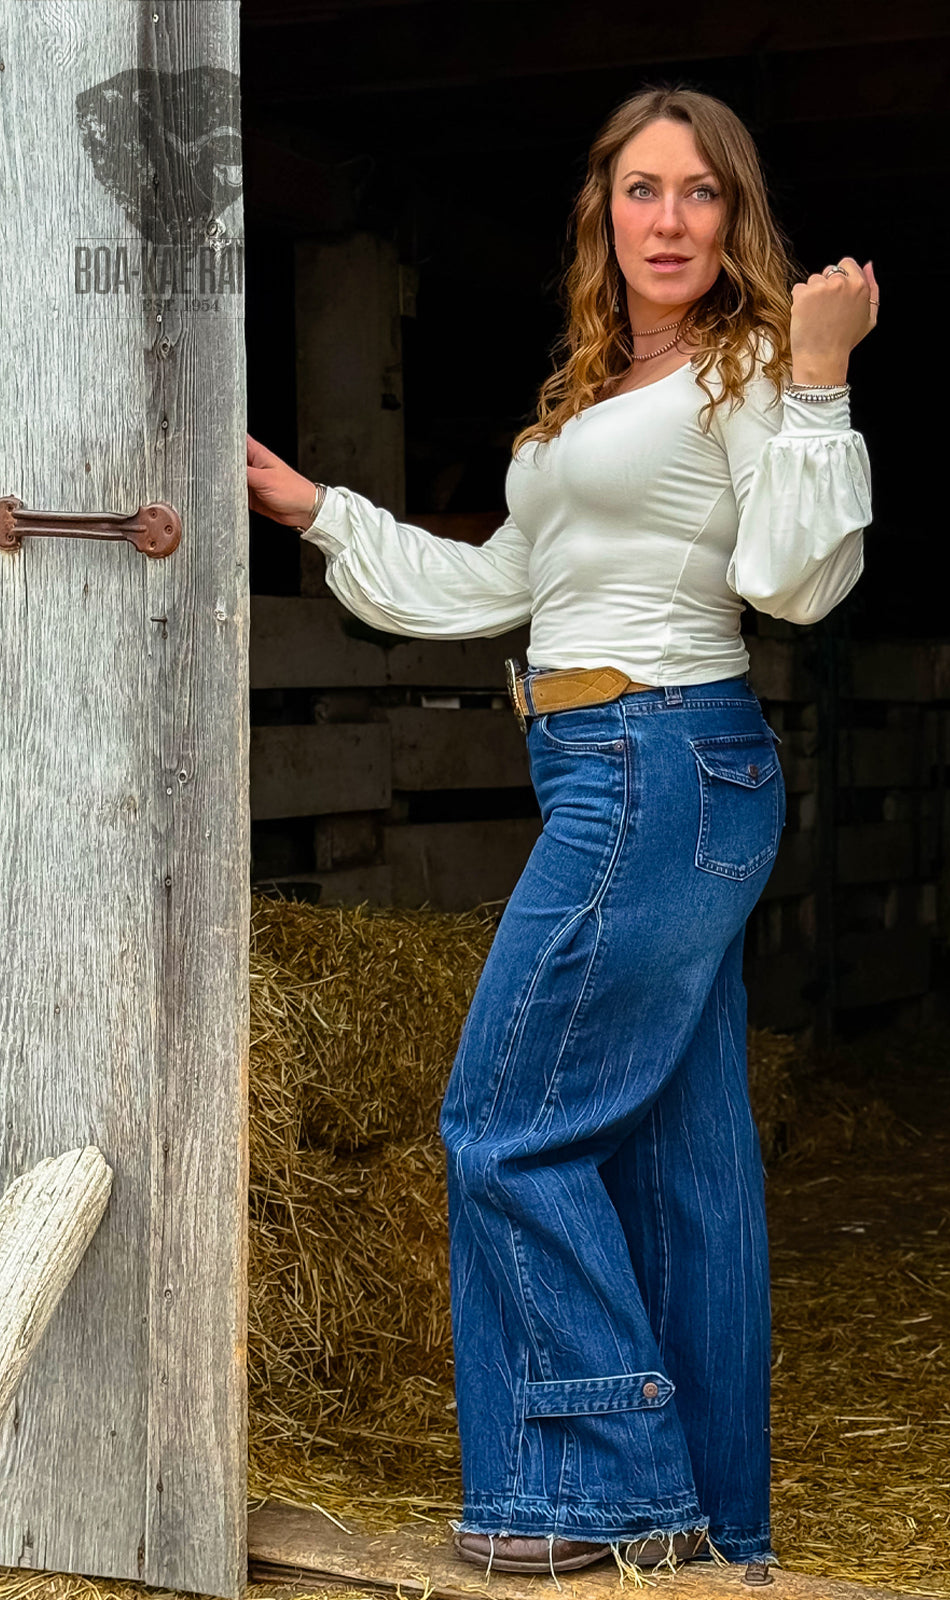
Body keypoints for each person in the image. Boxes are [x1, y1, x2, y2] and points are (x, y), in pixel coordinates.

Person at [247, 85, 876, 1582]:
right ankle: (707, 1528)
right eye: (641, 189)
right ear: (604, 211)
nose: (669, 219)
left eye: (701, 191)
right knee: (678, 1174)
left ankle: (604, 1492)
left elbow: (797, 583)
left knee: (504, 1126)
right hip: (613, 761)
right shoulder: (596, 387)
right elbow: (498, 588)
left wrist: (822, 377)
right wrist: (316, 508)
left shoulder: (749, 368)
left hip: (661, 762)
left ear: (737, 216)